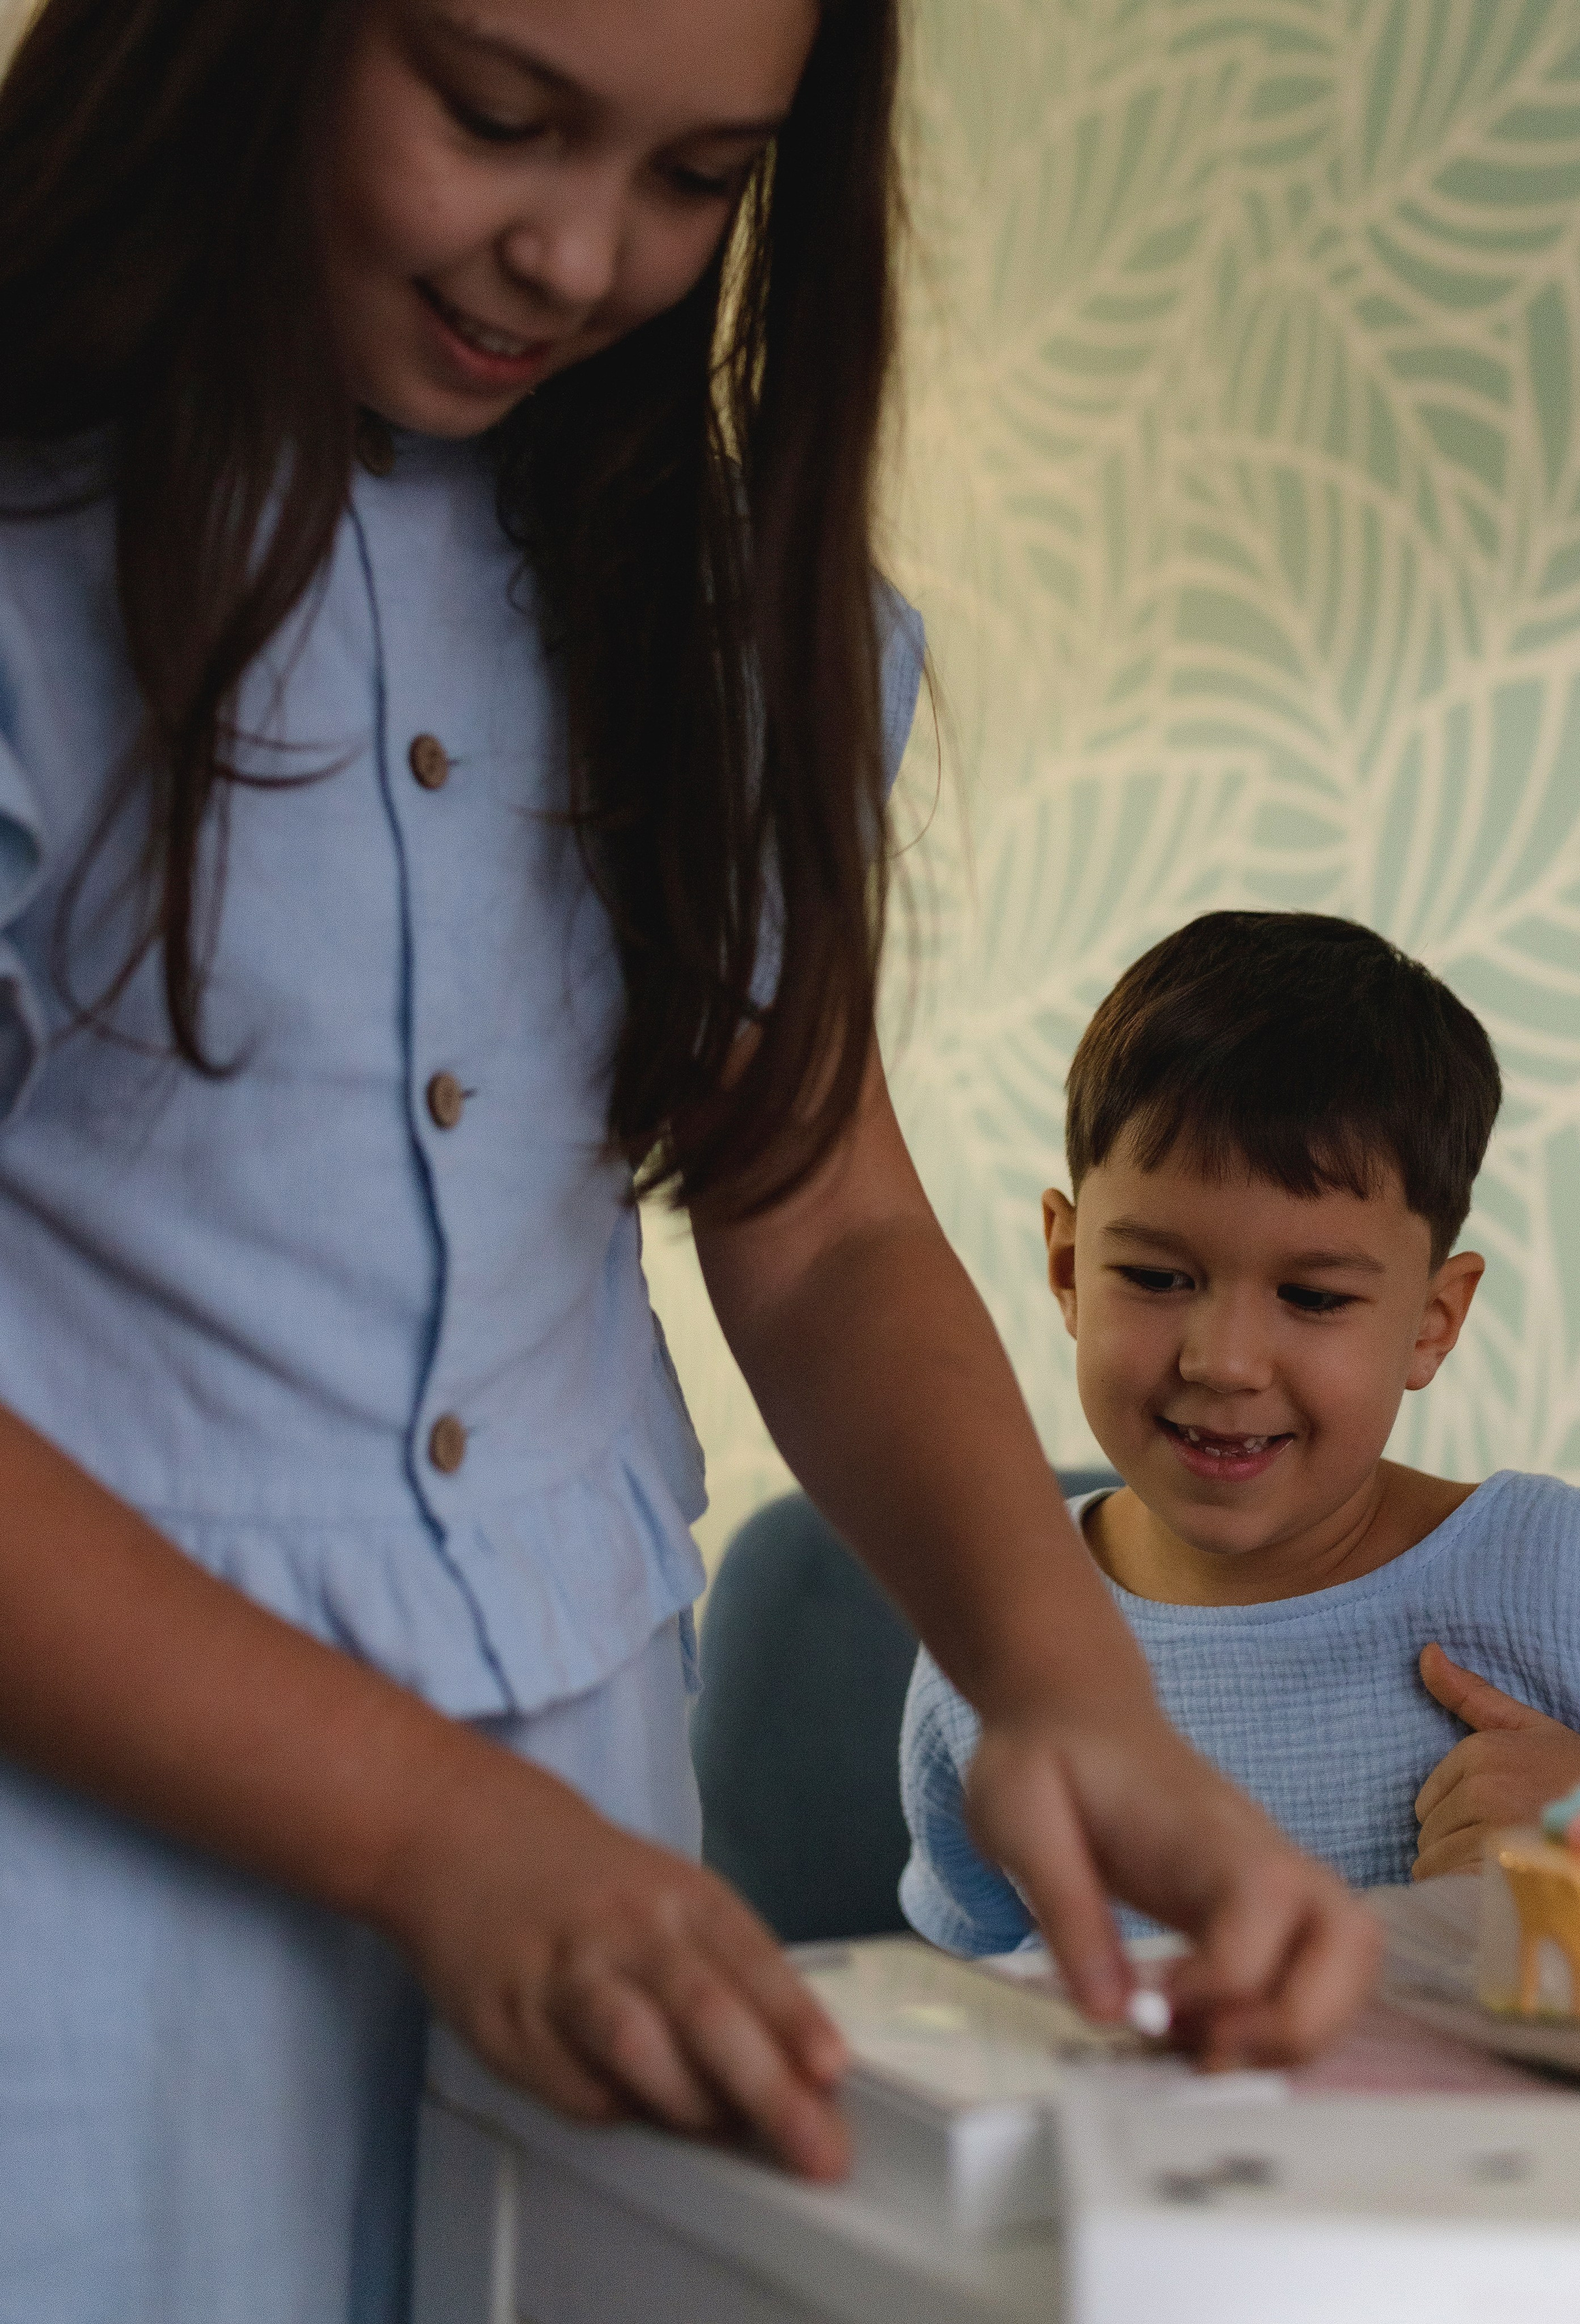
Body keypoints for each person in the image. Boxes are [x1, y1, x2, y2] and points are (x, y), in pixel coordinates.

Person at [0, 5, 1379, 2318]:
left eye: (696, 178)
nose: (573, 250)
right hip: (81, 1852)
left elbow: (820, 1218)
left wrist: (1072, 1691)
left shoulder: (713, 604)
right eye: (496, 116)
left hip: (588, 1823)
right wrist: (433, 1828)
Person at [900, 912, 1580, 1954]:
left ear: (1431, 1324)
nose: (1225, 1360)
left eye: (1312, 1295)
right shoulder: (990, 1638)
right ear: (1068, 1266)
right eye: (1157, 1277)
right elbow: (972, 2020)